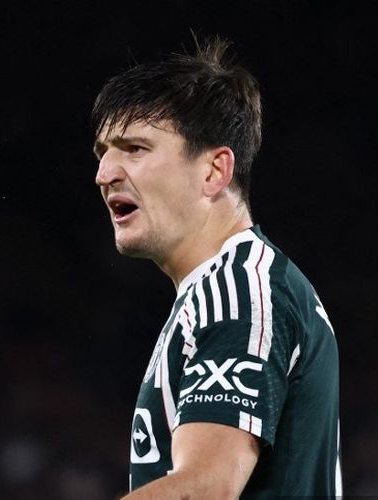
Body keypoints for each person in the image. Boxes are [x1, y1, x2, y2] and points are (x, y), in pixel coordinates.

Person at [92, 36, 342, 499]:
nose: (104, 172)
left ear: (213, 171)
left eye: (135, 149)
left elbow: (204, 488)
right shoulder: (228, 287)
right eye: (103, 152)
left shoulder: (239, 290)